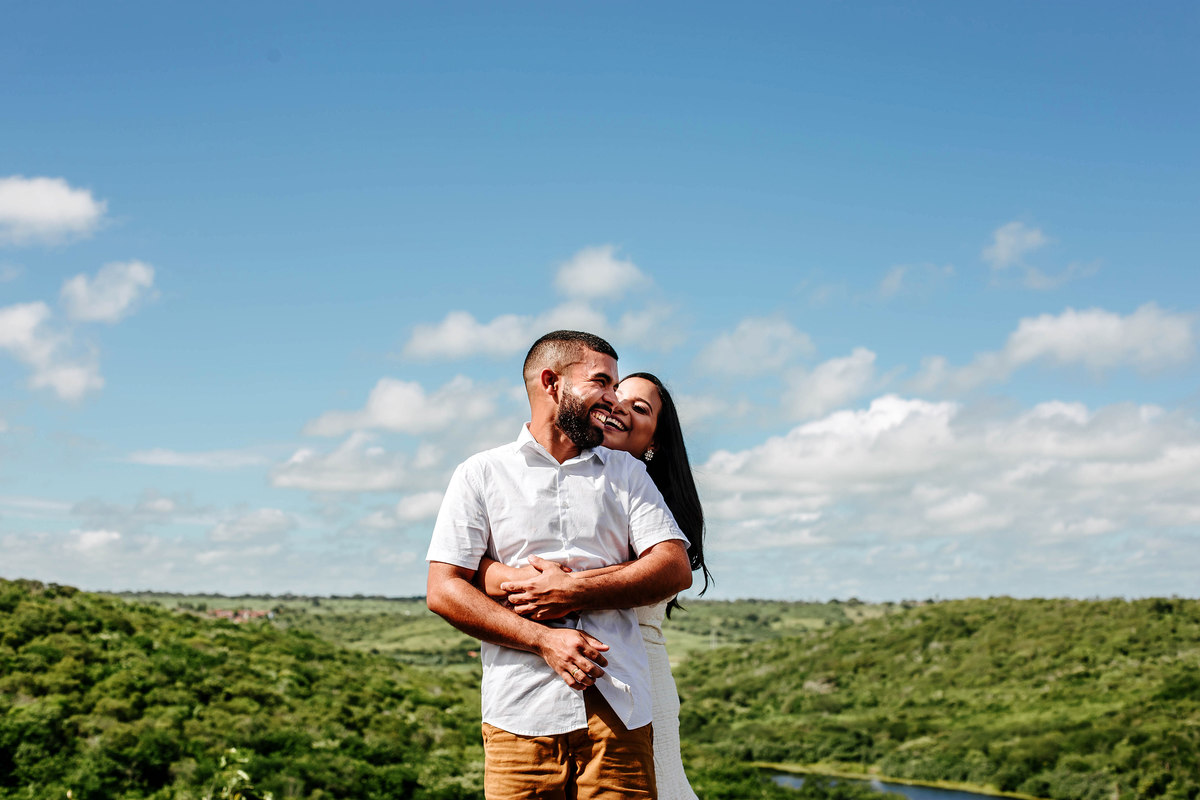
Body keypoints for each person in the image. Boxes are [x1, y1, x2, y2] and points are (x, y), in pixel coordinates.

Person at [426, 330, 693, 800]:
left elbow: (674, 567)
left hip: (621, 711)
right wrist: (544, 640)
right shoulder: (480, 473)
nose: (613, 399)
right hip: (519, 715)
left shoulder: (627, 472)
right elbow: (444, 589)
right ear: (552, 383)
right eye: (603, 383)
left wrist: (570, 591)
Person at [480, 371, 710, 800]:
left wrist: (564, 585)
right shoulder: (544, 479)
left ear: (656, 441)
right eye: (614, 395)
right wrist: (514, 577)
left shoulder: (645, 498)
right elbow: (481, 569)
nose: (620, 406)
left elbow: (661, 569)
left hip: (635, 671)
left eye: (640, 408)